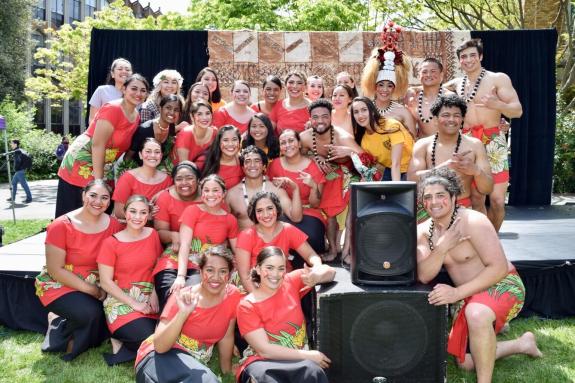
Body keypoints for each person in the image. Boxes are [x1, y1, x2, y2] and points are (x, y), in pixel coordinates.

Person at [416, 168, 542, 383]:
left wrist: (456, 293)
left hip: (501, 283)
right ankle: (522, 344)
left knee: (476, 313)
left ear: (454, 197)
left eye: (440, 196)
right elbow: (424, 276)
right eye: (427, 197)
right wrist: (442, 248)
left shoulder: (474, 221)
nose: (434, 202)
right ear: (422, 202)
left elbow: (498, 268)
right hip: (466, 296)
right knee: (465, 363)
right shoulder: (422, 231)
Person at [35, 180, 123, 361]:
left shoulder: (114, 225)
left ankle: (67, 328)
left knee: (108, 314)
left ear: (109, 202)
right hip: (61, 281)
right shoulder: (61, 225)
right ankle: (62, 336)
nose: (98, 202)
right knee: (91, 313)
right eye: (93, 195)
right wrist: (93, 290)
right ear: (83, 195)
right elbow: (55, 269)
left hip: (98, 281)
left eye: (104, 198)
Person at [135, 246, 242, 383]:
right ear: (201, 271)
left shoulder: (233, 295)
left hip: (192, 364)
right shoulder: (183, 297)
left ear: (230, 274)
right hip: (159, 357)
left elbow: (227, 335)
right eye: (210, 270)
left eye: (222, 271)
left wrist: (226, 369)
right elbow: (160, 346)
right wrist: (183, 313)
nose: (216, 277)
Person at [450, 38, 523, 232]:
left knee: (498, 201)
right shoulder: (456, 84)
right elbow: (431, 87)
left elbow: (517, 111)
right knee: (475, 199)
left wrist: (497, 104)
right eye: (463, 57)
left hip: (493, 141)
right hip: (469, 144)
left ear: (480, 56)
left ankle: (494, 239)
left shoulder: (498, 78)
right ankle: (482, 242)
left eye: (473, 55)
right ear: (459, 61)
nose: (468, 60)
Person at [236, 246, 334, 383]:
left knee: (314, 372)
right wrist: (309, 355)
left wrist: (316, 276)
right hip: (264, 363)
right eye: (269, 268)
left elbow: (330, 271)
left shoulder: (291, 282)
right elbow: (265, 350)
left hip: (299, 360)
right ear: (257, 269)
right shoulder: (247, 305)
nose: (275, 274)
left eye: (281, 268)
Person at [56, 74, 149, 218]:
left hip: (104, 165)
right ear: (124, 89)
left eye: (143, 90)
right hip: (82, 162)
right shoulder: (113, 108)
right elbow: (98, 144)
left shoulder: (136, 115)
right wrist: (98, 182)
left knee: (99, 213)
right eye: (134, 88)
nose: (138, 93)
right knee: (75, 215)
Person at [98, 194, 162, 365]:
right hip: (121, 300)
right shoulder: (110, 244)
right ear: (125, 213)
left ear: (148, 215)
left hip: (149, 298)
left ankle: (123, 344)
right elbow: (105, 282)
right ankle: (118, 339)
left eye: (143, 212)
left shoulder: (153, 234)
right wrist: (135, 304)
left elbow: (158, 266)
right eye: (133, 211)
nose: (137, 217)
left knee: (166, 336)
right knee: (149, 339)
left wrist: (155, 293)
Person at [299, 99, 364, 264]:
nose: (320, 121)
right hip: (325, 177)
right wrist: (316, 157)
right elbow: (300, 153)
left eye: (324, 116)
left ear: (330, 118)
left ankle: (346, 251)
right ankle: (333, 249)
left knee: (344, 201)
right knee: (326, 196)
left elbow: (366, 160)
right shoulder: (305, 137)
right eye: (315, 117)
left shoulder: (342, 137)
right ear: (310, 119)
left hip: (349, 175)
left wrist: (349, 152)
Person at [407, 94, 493, 211]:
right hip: (430, 209)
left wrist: (476, 171)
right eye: (446, 115)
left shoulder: (475, 145)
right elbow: (412, 180)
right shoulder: (423, 145)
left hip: (462, 208)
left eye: (456, 115)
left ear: (462, 119)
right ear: (436, 119)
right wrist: (443, 168)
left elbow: (487, 189)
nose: (451, 119)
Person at [235, 191, 324, 293]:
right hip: (255, 287)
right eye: (259, 211)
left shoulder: (287, 229)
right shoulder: (247, 235)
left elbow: (311, 255)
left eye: (269, 208)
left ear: (277, 209)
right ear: (254, 214)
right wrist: (261, 298)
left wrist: (317, 267)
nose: (266, 214)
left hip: (282, 284)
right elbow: (245, 276)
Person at [168, 174, 239, 295]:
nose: (210, 194)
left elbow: (237, 250)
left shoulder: (230, 219)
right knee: (177, 294)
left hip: (208, 268)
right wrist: (181, 276)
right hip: (180, 264)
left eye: (215, 190)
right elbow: (185, 244)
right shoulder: (192, 211)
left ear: (223, 194)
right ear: (202, 194)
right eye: (206, 190)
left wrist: (235, 273)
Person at [267, 129, 327, 256]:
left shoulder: (313, 167)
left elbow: (315, 204)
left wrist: (313, 186)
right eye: (283, 142)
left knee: (311, 236)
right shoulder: (274, 165)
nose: (287, 145)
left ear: (299, 144)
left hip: (309, 211)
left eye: (291, 141)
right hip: (283, 212)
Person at [152, 161, 202, 310]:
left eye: (189, 178)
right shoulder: (166, 198)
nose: (184, 183)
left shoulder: (209, 195)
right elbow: (160, 232)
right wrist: (174, 236)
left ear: (198, 179)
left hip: (202, 253)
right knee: (169, 287)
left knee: (192, 291)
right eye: (179, 179)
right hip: (175, 251)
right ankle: (166, 327)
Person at [360, 21, 416, 138]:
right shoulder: (364, 110)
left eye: (389, 85)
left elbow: (412, 142)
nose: (384, 89)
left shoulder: (403, 112)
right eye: (381, 84)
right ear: (374, 85)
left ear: (395, 87)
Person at [226, 145, 302, 230]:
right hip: (245, 241)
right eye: (247, 161)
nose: (252, 165)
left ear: (263, 166)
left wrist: (295, 189)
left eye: (257, 161)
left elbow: (296, 218)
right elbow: (223, 225)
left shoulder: (276, 190)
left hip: (272, 241)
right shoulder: (231, 195)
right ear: (243, 167)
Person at [351, 97, 414, 181]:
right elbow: (376, 167)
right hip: (389, 172)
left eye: (364, 110)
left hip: (411, 168)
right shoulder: (364, 142)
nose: (360, 115)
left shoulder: (391, 125)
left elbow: (396, 163)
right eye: (356, 112)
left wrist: (397, 189)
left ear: (372, 111)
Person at [112, 138, 173, 220]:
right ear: (140, 155)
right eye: (148, 151)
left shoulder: (168, 180)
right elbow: (118, 212)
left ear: (161, 156)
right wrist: (146, 216)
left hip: (159, 228)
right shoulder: (128, 177)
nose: (153, 155)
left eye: (157, 152)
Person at [125, 94, 182, 168]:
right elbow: (127, 158)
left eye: (176, 110)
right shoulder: (144, 129)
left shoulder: (171, 127)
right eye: (168, 108)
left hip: (156, 171)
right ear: (160, 108)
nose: (172, 112)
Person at [406, 58, 450, 138]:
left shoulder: (449, 97)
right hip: (423, 146)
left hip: (448, 146)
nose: (428, 75)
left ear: (441, 75)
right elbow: (411, 130)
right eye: (424, 72)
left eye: (433, 71)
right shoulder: (413, 99)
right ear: (419, 75)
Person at [88, 58, 133, 124]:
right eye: (120, 69)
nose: (124, 71)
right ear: (112, 74)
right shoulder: (102, 90)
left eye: (127, 69)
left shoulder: (136, 94)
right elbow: (92, 118)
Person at [175, 101, 218, 168]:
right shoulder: (185, 134)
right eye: (199, 114)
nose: (204, 118)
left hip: (205, 171)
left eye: (207, 113)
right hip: (182, 171)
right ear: (192, 117)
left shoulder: (215, 132)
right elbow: (183, 166)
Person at [202, 125, 244, 189]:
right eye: (225, 140)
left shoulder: (244, 160)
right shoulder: (206, 161)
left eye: (234, 139)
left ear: (239, 141)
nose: (230, 144)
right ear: (218, 142)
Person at [7, 139, 33, 204]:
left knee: (24, 184)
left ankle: (29, 198)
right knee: (14, 183)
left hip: (19, 170)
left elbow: (18, 161)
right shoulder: (19, 150)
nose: (11, 145)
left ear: (15, 144)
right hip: (20, 170)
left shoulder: (17, 151)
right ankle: (13, 197)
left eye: (12, 143)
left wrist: (18, 168)